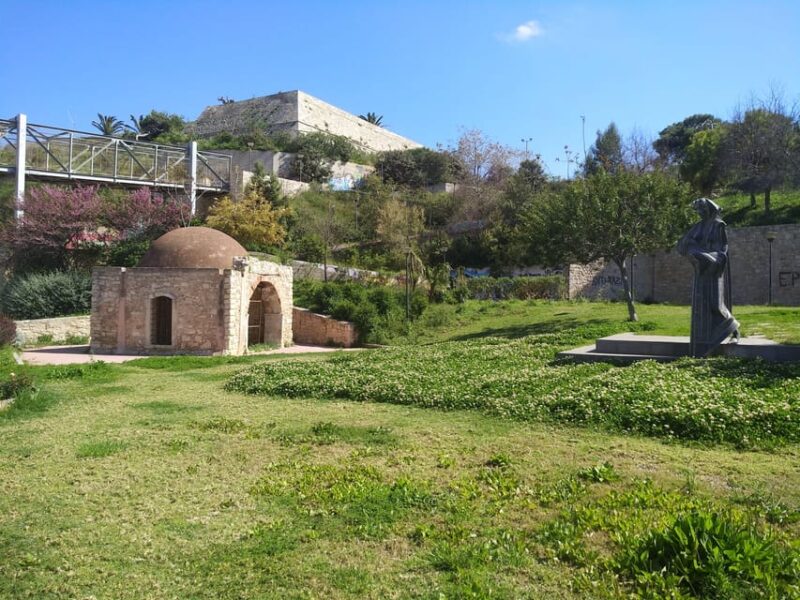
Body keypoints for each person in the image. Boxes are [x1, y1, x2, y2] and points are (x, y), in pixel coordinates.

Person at [677, 198, 740, 357]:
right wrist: (691, 245)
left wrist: (711, 257)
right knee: (702, 303)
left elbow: (723, 249)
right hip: (701, 269)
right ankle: (704, 340)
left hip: (714, 269)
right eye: (698, 210)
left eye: (702, 210)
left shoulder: (719, 225)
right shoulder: (698, 227)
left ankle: (733, 327)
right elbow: (683, 243)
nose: (700, 213)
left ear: (709, 209)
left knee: (715, 303)